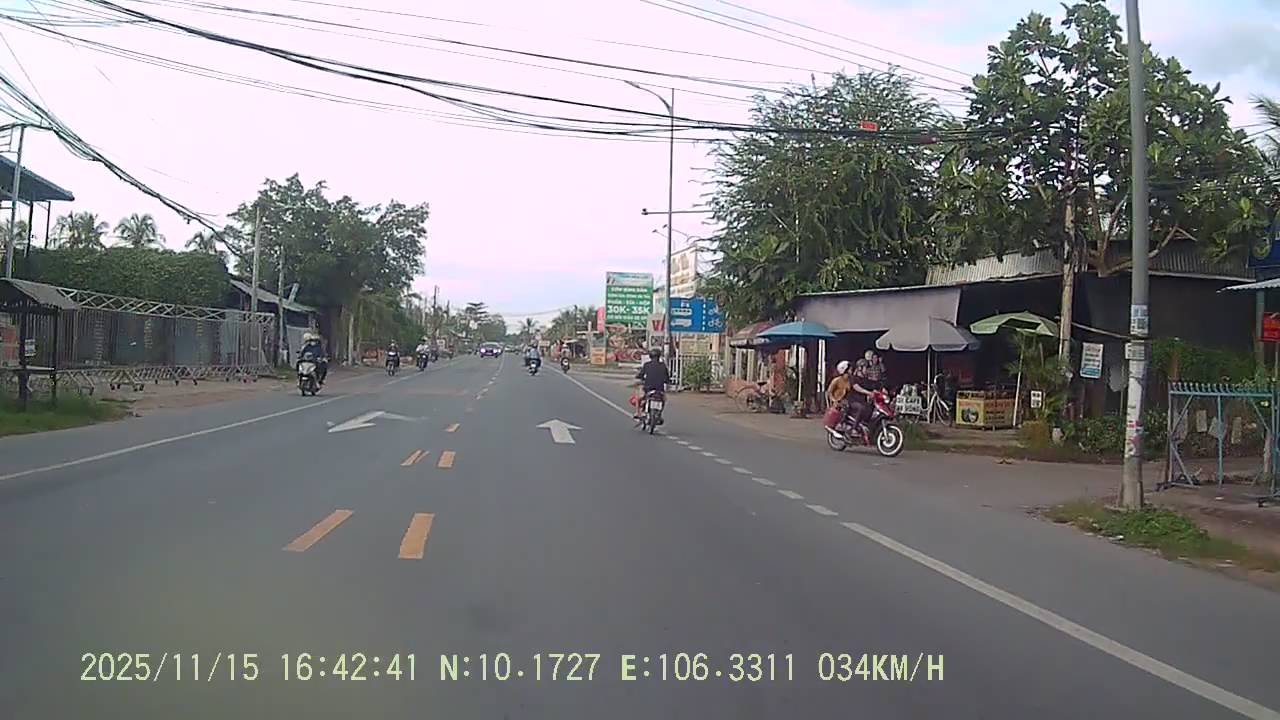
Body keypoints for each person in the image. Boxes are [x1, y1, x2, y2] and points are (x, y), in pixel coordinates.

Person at [632, 348, 671, 419]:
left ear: (650, 356)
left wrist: (639, 377)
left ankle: (637, 412)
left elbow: (641, 375)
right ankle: (659, 414)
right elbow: (667, 378)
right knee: (663, 399)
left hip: (648, 388)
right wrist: (667, 382)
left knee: (638, 397)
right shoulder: (663, 366)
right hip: (660, 388)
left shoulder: (647, 365)